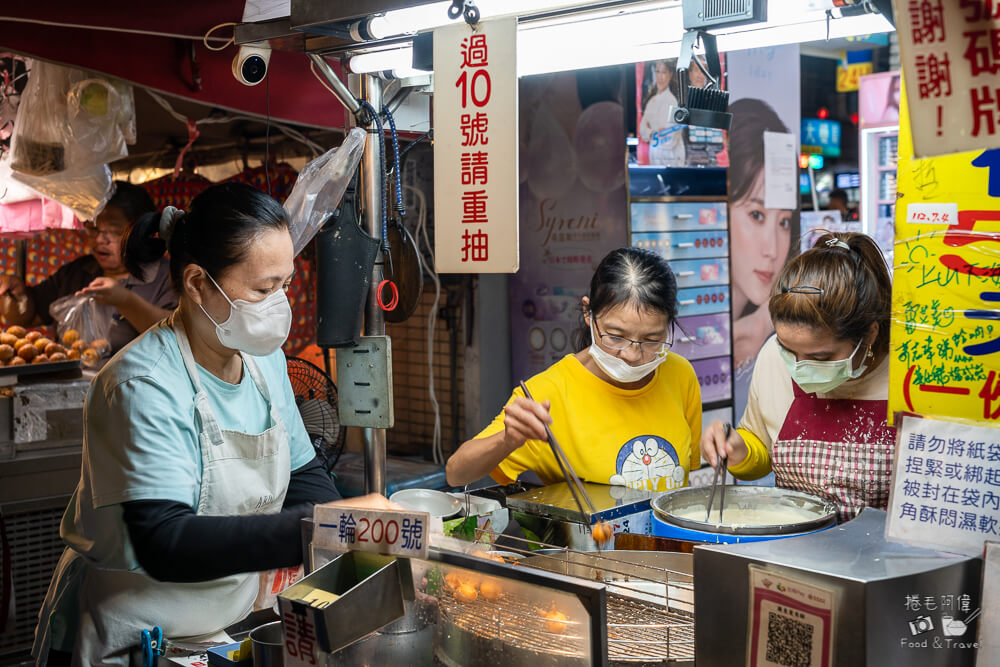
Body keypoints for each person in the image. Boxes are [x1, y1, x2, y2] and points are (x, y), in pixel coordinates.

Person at [33, 183, 393, 666]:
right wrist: (325, 525)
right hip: (138, 636)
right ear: (199, 283)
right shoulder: (142, 384)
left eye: (285, 285)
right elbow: (166, 542)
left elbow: (306, 477)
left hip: (224, 628)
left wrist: (344, 528)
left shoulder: (265, 364)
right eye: (264, 289)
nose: (279, 304)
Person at [447, 247, 702, 492]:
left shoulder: (680, 375)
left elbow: (682, 482)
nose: (632, 355)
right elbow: (457, 473)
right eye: (615, 336)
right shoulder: (548, 393)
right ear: (588, 313)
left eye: (651, 340)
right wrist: (507, 441)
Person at [701, 231, 894, 522]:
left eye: (820, 357)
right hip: (794, 550)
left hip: (885, 561)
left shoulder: (909, 374)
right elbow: (762, 449)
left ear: (869, 334)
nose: (799, 367)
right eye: (789, 350)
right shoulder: (771, 358)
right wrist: (738, 448)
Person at [0, 181, 177, 354]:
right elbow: (28, 316)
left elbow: (178, 337)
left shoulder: (168, 277)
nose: (100, 239)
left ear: (141, 231)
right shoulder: (77, 272)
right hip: (71, 382)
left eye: (114, 231)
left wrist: (125, 300)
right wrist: (17, 295)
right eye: (93, 229)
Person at [728, 98, 798, 379]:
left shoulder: (786, 336)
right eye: (756, 215)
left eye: (784, 222)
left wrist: (763, 321)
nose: (772, 249)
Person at [638, 60, 686, 167]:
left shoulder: (673, 101)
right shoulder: (652, 101)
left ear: (670, 74)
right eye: (657, 72)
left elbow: (670, 139)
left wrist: (650, 132)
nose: (660, 77)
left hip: (673, 161)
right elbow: (642, 129)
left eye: (664, 72)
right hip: (655, 159)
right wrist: (654, 133)